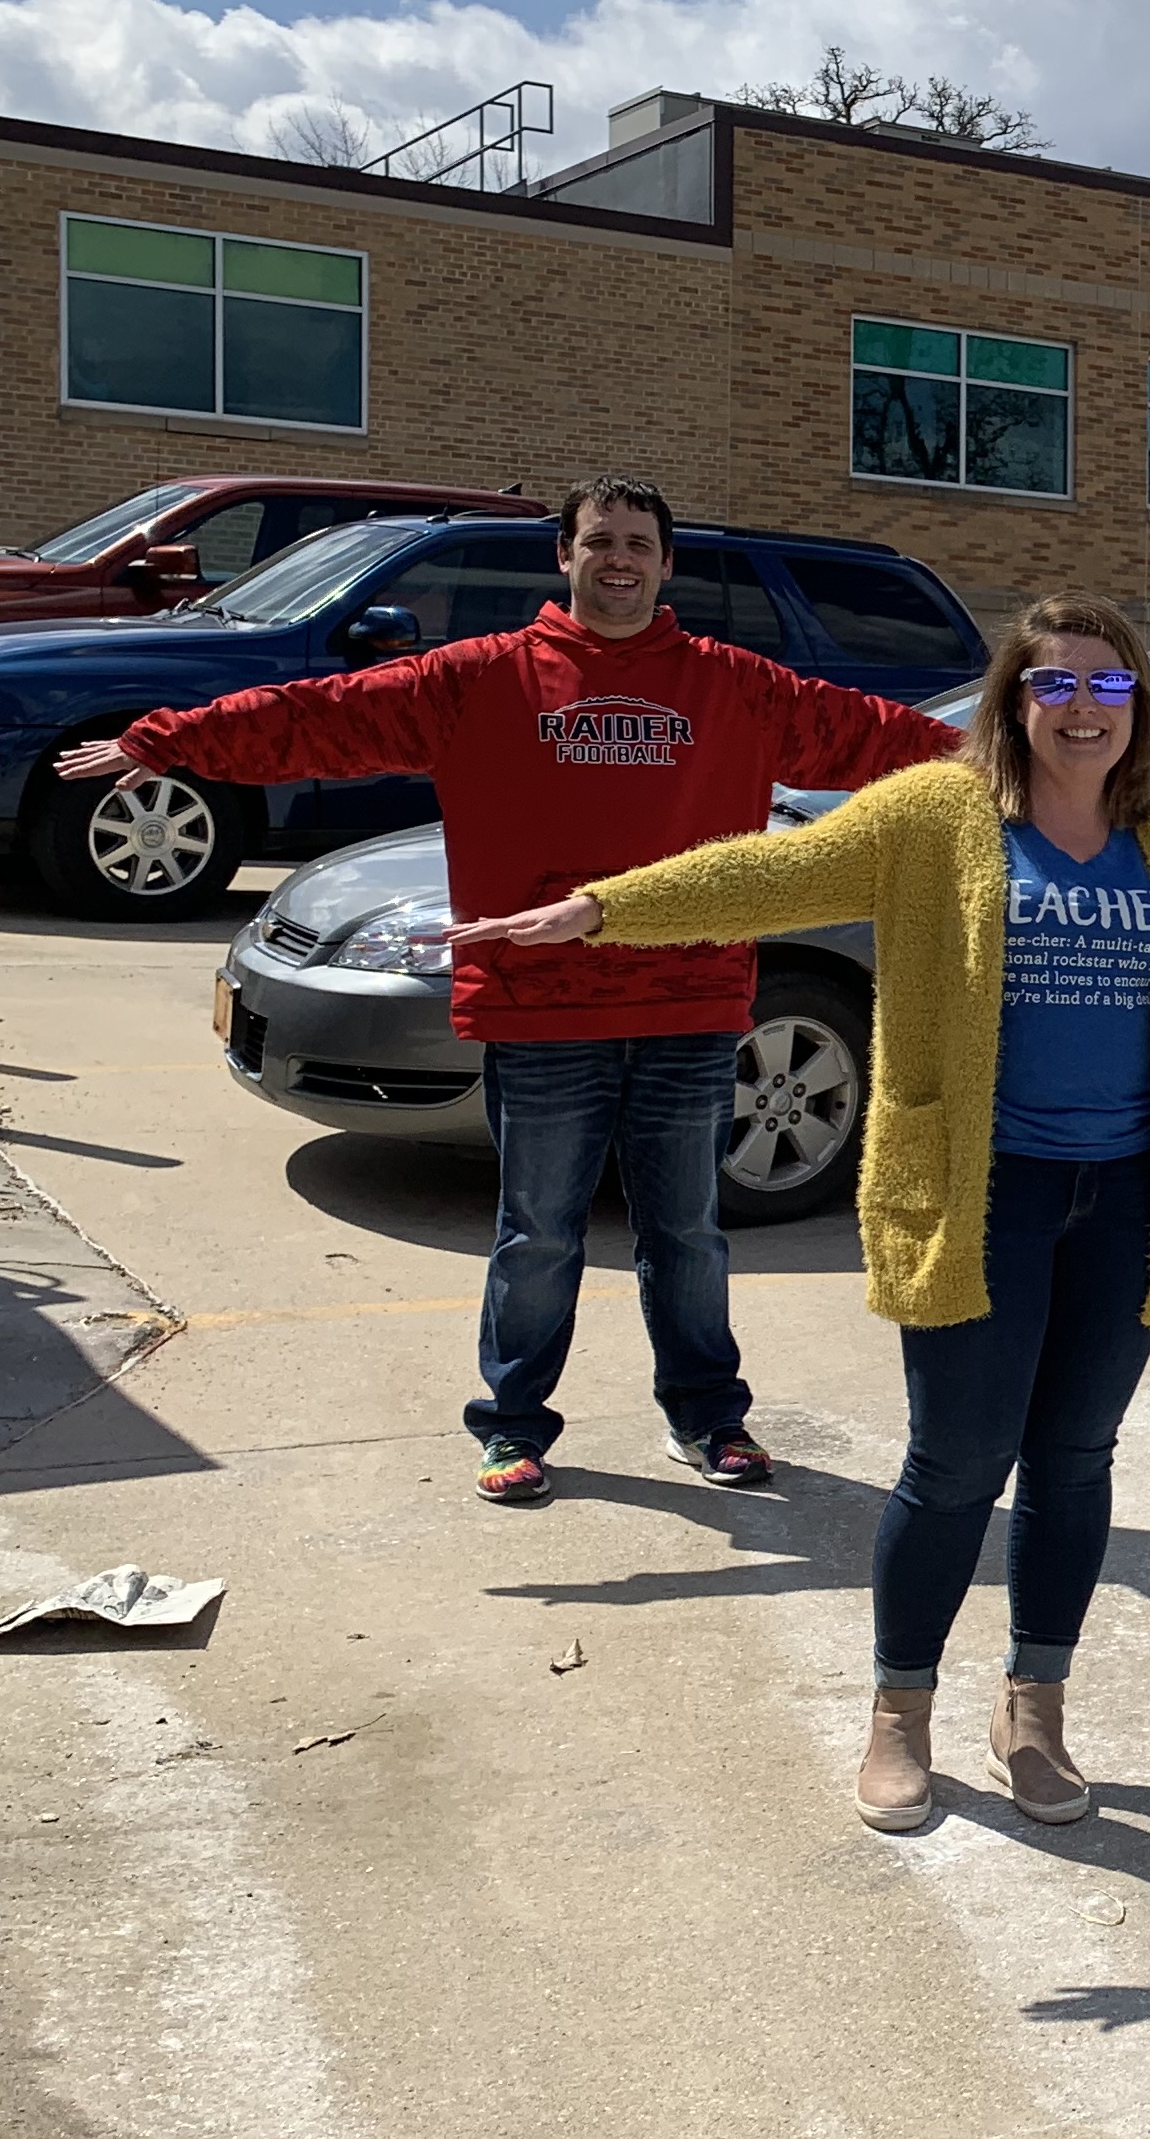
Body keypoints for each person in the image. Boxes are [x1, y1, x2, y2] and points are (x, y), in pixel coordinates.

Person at [443, 595, 1150, 1831]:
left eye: (1106, 686)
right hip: (982, 1189)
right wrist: (606, 905)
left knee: (1078, 1459)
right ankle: (901, 1712)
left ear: (1135, 707)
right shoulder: (937, 817)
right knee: (956, 1463)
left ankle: (1035, 1708)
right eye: (1055, 685)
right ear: (1015, 703)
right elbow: (774, 865)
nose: (1081, 708)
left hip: (1129, 1196)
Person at [55, 478, 962, 1504]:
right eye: (597, 541)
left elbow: (881, 737)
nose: (617, 558)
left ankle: (708, 1417)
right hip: (544, 1011)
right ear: (564, 559)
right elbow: (324, 716)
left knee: (689, 1235)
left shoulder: (737, 687)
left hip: (691, 1004)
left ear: (666, 566)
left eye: (638, 544)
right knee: (539, 1233)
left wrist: (1016, 762)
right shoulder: (480, 679)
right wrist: (171, 739)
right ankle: (512, 1425)